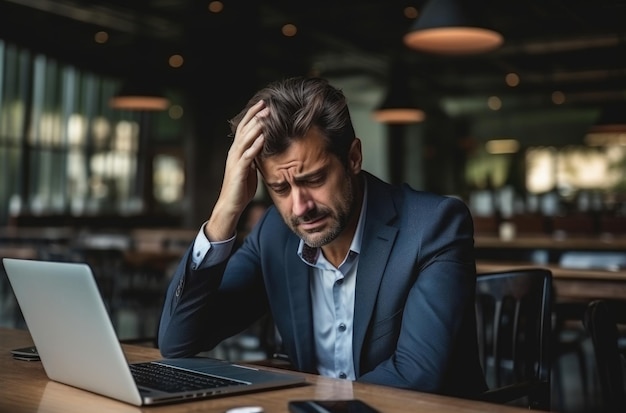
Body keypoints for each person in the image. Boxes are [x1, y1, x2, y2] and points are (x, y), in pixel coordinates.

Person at [158, 76, 487, 398]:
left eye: (314, 179)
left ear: (353, 158)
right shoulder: (274, 233)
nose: (300, 207)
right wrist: (224, 213)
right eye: (280, 188)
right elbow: (179, 341)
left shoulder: (433, 226)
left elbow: (416, 376)